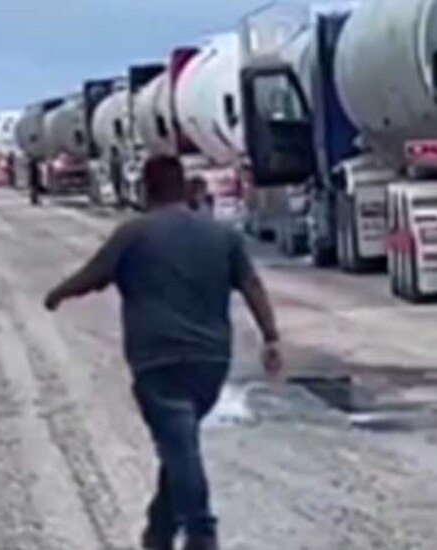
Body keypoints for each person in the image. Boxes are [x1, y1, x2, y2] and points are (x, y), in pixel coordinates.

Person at [42, 155, 282, 550]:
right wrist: (271, 338)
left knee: (180, 447)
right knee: (180, 444)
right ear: (183, 186)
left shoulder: (134, 234)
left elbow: (92, 276)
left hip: (157, 362)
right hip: (211, 364)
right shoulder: (221, 236)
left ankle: (202, 533)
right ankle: (158, 533)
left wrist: (57, 294)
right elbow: (252, 285)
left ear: (146, 188)